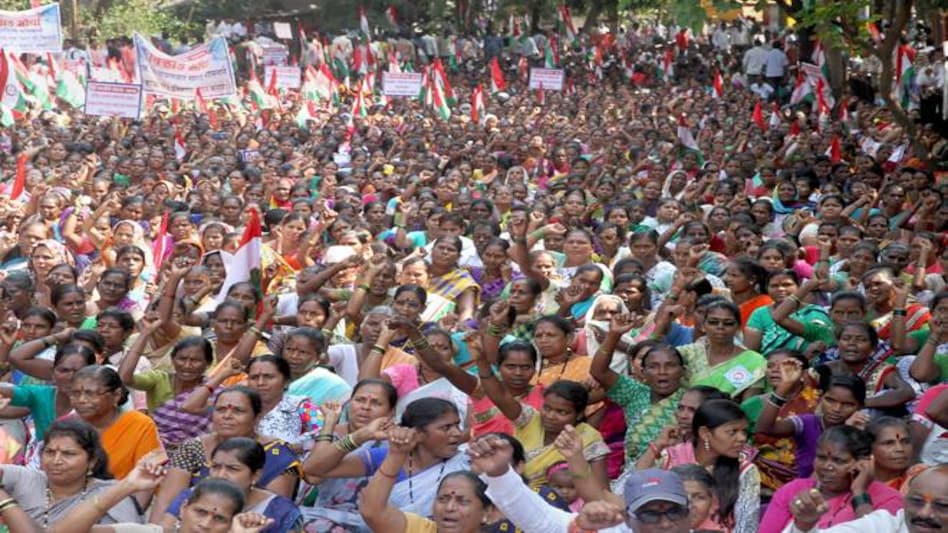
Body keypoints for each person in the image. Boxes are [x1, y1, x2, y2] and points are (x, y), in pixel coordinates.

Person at [468, 433, 692, 533]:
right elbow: (541, 521)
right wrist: (499, 474)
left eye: (675, 511)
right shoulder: (602, 530)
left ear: (689, 512)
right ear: (628, 517)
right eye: (650, 515)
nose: (665, 524)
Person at [150, 386, 300, 521]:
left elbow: (274, 514)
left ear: (257, 416)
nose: (227, 416)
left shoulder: (279, 455)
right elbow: (167, 502)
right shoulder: (193, 447)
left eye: (238, 411)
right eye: (220, 410)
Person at [301, 397, 469, 518]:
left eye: (457, 425)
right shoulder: (386, 456)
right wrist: (361, 436)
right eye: (446, 428)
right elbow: (313, 469)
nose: (457, 433)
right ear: (417, 433)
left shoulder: (466, 463)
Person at [760, 425, 904, 532]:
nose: (827, 467)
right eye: (821, 458)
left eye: (839, 461)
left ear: (864, 463)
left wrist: (859, 492)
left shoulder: (889, 499)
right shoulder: (794, 489)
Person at [0, 419, 141, 528]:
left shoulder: (111, 495)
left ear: (92, 461)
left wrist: (4, 500)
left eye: (68, 454)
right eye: (50, 452)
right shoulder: (26, 478)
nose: (56, 461)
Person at [300, 379, 398, 532]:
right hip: (321, 515)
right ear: (349, 403)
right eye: (360, 400)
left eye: (376, 403)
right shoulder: (325, 434)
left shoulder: (393, 443)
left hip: (368, 521)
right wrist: (329, 423)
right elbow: (313, 477)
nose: (365, 407)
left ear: (391, 411)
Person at [360, 425, 493, 533]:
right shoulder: (422, 529)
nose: (449, 507)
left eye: (462, 502)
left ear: (486, 513)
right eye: (443, 499)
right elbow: (372, 511)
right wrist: (396, 455)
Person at [160, 437, 303, 533]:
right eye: (216, 467)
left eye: (232, 469)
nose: (221, 475)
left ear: (255, 475)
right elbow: (166, 528)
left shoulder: (280, 511)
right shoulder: (193, 495)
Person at [658, 399, 759, 533]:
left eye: (744, 431)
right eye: (732, 432)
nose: (742, 438)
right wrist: (655, 448)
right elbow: (631, 495)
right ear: (705, 433)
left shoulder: (745, 471)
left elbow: (747, 526)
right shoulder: (669, 458)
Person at [67, 365, 162, 479]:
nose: (81, 400)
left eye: (91, 394)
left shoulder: (139, 425)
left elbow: (146, 476)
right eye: (76, 393)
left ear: (116, 395)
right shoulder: (67, 426)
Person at [678, 300, 766, 400]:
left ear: (738, 328)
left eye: (728, 323)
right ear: (703, 326)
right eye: (713, 322)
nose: (720, 327)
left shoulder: (754, 361)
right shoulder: (689, 353)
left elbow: (749, 404)